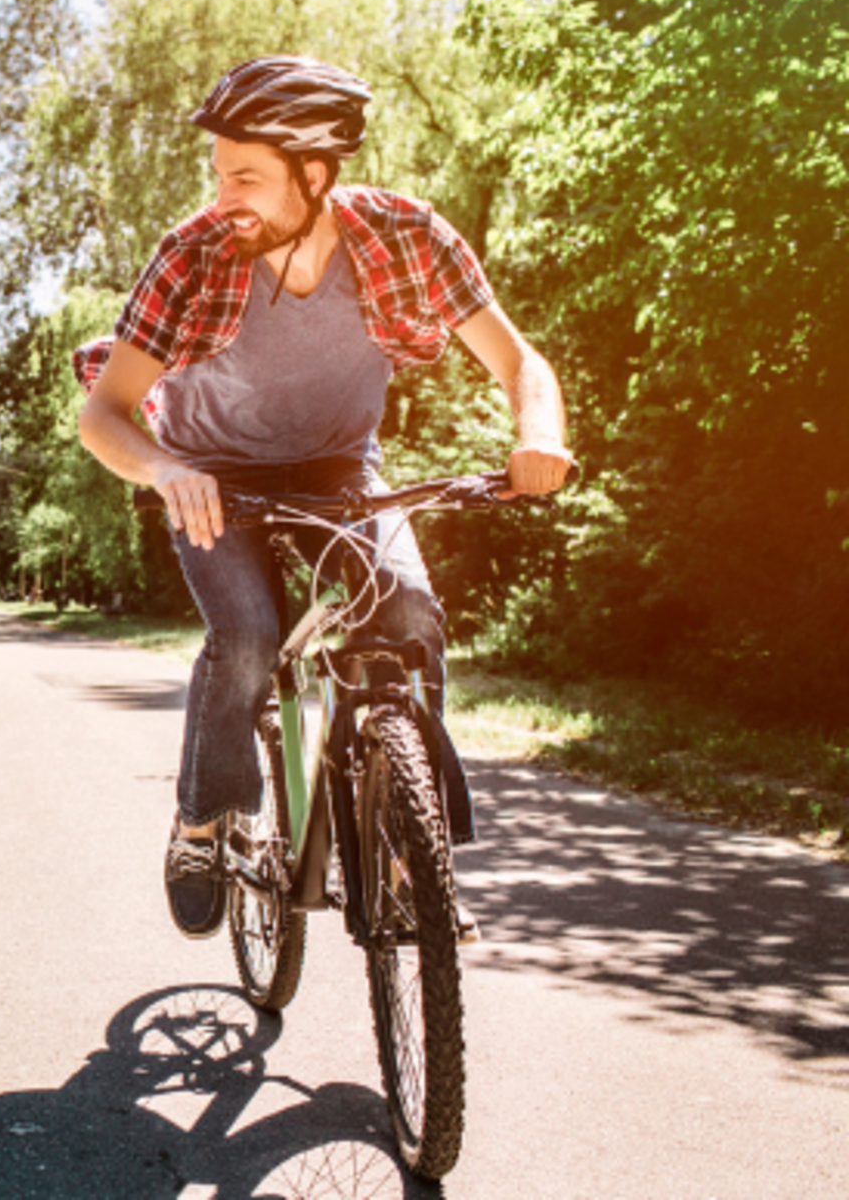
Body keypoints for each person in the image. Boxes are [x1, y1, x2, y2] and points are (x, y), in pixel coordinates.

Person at [74, 56, 571, 939]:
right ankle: (200, 823)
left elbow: (517, 361)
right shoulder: (194, 254)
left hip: (341, 465)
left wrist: (540, 435)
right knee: (249, 637)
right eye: (219, 174)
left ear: (315, 173)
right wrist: (164, 471)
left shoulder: (405, 236)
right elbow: (105, 414)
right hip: (209, 474)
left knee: (411, 611)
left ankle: (405, 839)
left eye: (246, 177)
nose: (225, 195)